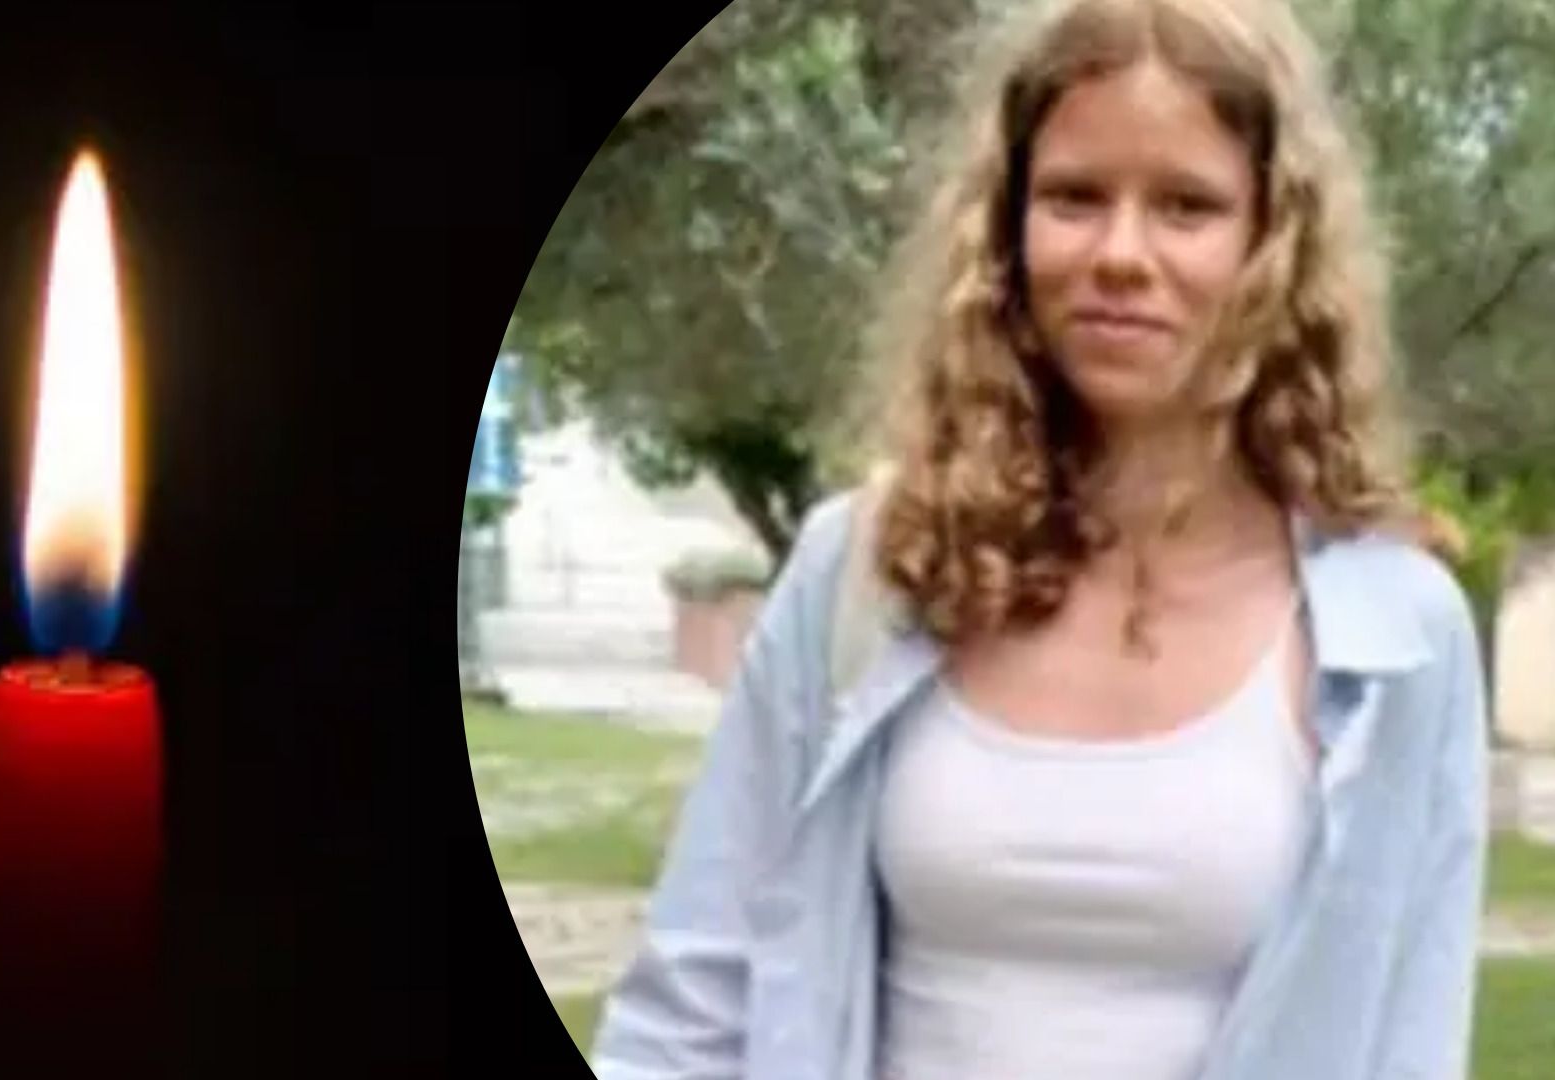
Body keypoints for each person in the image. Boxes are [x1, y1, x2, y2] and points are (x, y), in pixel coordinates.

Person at [587, 0, 1490, 1078]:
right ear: (1008, 231)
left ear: (1273, 243)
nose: (1121, 254)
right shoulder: (871, 571)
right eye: (1074, 197)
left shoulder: (1400, 640)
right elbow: (690, 1006)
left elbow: (1410, 1039)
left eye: (1187, 206)